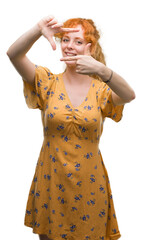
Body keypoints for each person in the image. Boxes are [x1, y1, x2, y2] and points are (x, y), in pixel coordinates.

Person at [7, 15, 135, 240]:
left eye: (77, 41)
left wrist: (103, 71)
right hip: (52, 181)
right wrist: (38, 30)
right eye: (65, 40)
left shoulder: (101, 90)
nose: (69, 46)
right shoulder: (47, 82)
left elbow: (129, 95)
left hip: (90, 184)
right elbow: (14, 54)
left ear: (90, 47)